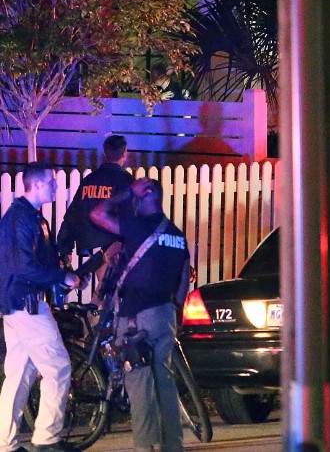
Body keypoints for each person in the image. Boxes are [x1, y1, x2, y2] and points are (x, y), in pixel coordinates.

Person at [90, 178, 190, 452]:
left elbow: (97, 214)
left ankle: (145, 446)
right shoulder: (177, 235)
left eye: (137, 195)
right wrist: (176, 313)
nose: (133, 202)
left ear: (146, 195)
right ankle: (173, 445)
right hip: (165, 316)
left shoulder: (136, 227)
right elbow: (183, 279)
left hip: (136, 318)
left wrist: (125, 194)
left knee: (140, 384)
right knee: (165, 381)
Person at [0, 162, 80, 452]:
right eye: (51, 182)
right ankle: (47, 439)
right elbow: (24, 267)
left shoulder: (27, 217)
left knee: (19, 375)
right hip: (28, 305)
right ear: (35, 184)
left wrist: (61, 269)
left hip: (17, 305)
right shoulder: (24, 219)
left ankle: (6, 444)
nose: (56, 186)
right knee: (57, 367)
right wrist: (62, 276)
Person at [57, 135, 134, 293]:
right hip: (113, 248)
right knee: (110, 298)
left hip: (91, 247)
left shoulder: (89, 181)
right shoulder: (126, 181)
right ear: (125, 153)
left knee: (105, 295)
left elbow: (72, 215)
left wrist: (65, 249)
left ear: (104, 154)